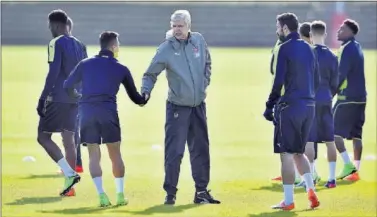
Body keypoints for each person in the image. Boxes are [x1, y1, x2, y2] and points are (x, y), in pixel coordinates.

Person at [141, 10, 220, 205]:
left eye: (180, 26)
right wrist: (145, 91)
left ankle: (201, 192)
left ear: (188, 26)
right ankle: (170, 193)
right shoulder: (165, 49)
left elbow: (207, 63)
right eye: (174, 26)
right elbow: (150, 74)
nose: (177, 29)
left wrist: (203, 84)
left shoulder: (199, 41)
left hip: (198, 106)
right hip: (177, 108)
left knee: (201, 149)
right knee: (174, 151)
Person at [64, 31, 146, 207]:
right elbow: (137, 98)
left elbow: (67, 86)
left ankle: (101, 196)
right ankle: (120, 195)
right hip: (108, 113)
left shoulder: (84, 64)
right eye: (118, 45)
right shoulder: (121, 68)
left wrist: (79, 97)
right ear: (114, 46)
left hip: (86, 113)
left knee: (94, 155)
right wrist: (145, 97)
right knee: (115, 154)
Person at [263, 12, 320, 210]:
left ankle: (288, 201)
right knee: (298, 151)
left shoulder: (284, 48)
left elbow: (278, 80)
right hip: (309, 106)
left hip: (290, 106)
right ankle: (311, 191)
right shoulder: (309, 48)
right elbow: (317, 79)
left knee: (286, 154)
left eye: (278, 27)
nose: (277, 30)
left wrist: (269, 105)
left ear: (285, 28)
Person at [36, 9, 85, 196]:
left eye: (50, 26)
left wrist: (42, 98)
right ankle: (69, 189)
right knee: (69, 141)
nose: (50, 29)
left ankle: (69, 173)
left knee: (43, 137)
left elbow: (53, 73)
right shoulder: (80, 44)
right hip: (76, 98)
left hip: (58, 97)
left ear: (56, 25)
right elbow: (84, 72)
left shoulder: (55, 43)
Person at [306, 20, 339, 188]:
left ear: (310, 35)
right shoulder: (333, 56)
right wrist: (328, 95)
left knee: (309, 139)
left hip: (310, 100)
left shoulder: (308, 53)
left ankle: (310, 179)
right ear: (325, 34)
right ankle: (332, 178)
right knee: (329, 139)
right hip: (326, 99)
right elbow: (335, 83)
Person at [333, 19, 366, 181]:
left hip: (346, 98)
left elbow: (341, 74)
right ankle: (356, 172)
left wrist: (330, 93)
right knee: (356, 135)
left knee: (331, 132)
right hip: (360, 98)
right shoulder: (358, 47)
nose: (339, 31)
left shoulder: (346, 49)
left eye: (343, 29)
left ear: (351, 32)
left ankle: (348, 165)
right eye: (339, 28)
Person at [67, 16, 86, 174]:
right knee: (73, 128)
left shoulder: (59, 46)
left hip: (68, 92)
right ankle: (77, 163)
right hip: (79, 90)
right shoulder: (80, 45)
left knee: (69, 130)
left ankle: (74, 164)